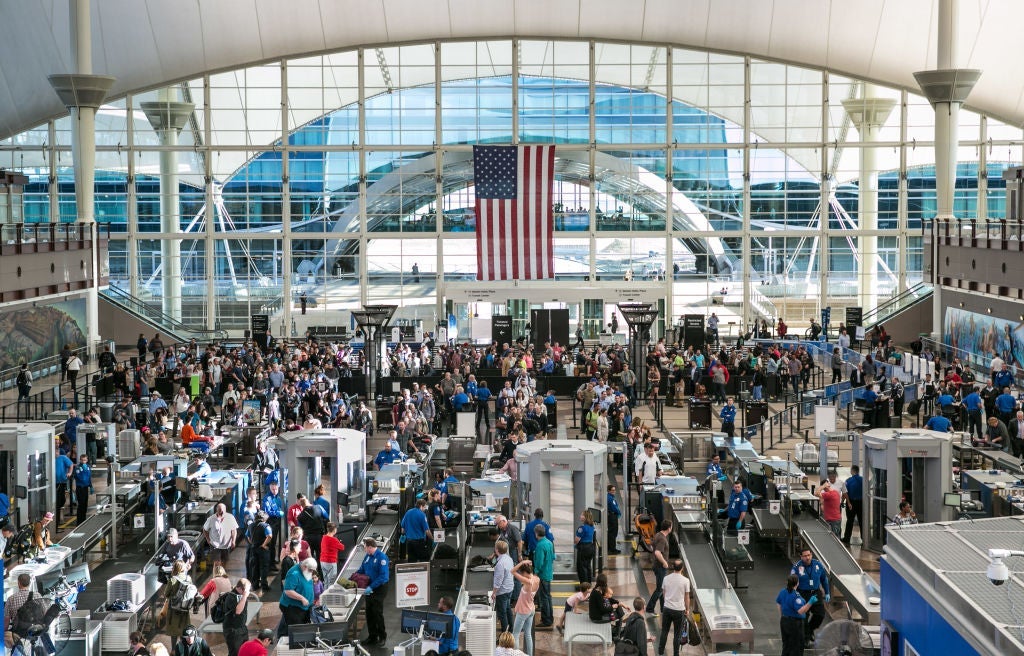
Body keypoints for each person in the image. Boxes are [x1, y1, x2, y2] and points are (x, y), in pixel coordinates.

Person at [791, 548, 830, 646]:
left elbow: (823, 579)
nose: (807, 557)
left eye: (809, 555)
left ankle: (810, 629)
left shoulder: (818, 565)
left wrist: (827, 592)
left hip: (816, 593)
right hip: (803, 593)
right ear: (801, 556)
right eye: (805, 556)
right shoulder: (796, 567)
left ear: (811, 555)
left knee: (820, 615)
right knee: (804, 616)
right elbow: (792, 583)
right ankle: (806, 638)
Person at [356, 537, 391, 646]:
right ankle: (372, 636)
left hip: (379, 588)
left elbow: (383, 577)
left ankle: (382, 636)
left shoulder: (382, 557)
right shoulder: (367, 556)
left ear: (370, 547)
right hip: (369, 588)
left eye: (365, 547)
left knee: (377, 612)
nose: (365, 549)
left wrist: (371, 587)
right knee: (369, 613)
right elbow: (361, 570)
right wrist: (352, 578)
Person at [658, 559, 691, 656]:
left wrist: (668, 602)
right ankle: (675, 654)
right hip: (679, 610)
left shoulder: (666, 578)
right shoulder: (686, 581)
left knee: (664, 631)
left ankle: (660, 652)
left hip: (667, 608)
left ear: (673, 567)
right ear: (682, 568)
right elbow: (687, 597)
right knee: (677, 634)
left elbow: (664, 593)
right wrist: (688, 609)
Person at [777, 574, 817, 656]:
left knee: (786, 645)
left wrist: (782, 616)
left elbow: (778, 604)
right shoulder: (796, 597)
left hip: (784, 621)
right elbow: (801, 611)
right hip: (795, 624)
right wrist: (810, 602)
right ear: (797, 583)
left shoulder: (782, 592)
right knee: (797, 646)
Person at [278, 557, 317, 637]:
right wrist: (302, 598)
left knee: (298, 627)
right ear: (304, 566)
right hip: (293, 608)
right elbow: (288, 591)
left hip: (304, 607)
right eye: (310, 570)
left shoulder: (306, 570)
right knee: (296, 631)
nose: (312, 572)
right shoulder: (294, 573)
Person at [510, 560, 539, 656]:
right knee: (528, 634)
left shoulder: (527, 582)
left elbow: (512, 571)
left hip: (523, 611)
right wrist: (526, 565)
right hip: (531, 609)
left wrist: (522, 562)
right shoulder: (536, 579)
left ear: (524, 573)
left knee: (516, 635)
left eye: (522, 573)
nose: (521, 575)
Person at [219, 578, 251, 656]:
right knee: (235, 653)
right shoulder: (231, 597)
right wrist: (245, 596)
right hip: (232, 630)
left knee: (245, 651)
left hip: (242, 627)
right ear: (240, 588)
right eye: (246, 590)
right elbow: (238, 611)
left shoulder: (241, 595)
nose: (248, 592)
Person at [162, 560, 195, 638]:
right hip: (184, 607)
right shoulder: (188, 578)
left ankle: (173, 649)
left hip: (173, 608)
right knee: (184, 629)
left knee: (173, 631)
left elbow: (166, 594)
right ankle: (183, 648)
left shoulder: (173, 579)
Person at [646, 519, 672, 614]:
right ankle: (649, 608)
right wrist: (664, 562)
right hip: (660, 567)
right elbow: (657, 552)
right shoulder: (662, 539)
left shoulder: (658, 535)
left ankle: (662, 608)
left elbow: (652, 547)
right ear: (669, 528)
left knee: (662, 587)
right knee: (659, 589)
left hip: (657, 565)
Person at [492, 539, 515, 631]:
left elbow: (498, 581)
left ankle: (504, 635)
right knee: (508, 609)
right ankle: (510, 631)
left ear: (497, 550)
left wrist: (494, 593)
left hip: (502, 591)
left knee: (502, 613)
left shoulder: (500, 564)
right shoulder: (509, 559)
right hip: (509, 588)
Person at [5, 573, 33, 642]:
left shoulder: (11, 599)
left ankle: (17, 649)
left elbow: (6, 619)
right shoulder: (37, 595)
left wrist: (4, 631)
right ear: (29, 583)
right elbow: (44, 612)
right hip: (33, 630)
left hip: (17, 632)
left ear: (18, 583)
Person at [840, 465, 863, 545]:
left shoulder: (849, 481)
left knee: (850, 520)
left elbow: (845, 493)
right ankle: (864, 539)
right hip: (861, 503)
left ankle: (847, 538)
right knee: (861, 521)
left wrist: (842, 501)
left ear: (852, 471)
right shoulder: (862, 480)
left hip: (851, 503)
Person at [574, 510, 596, 584]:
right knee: (588, 566)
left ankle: (584, 585)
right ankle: (588, 584)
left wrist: (575, 543)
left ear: (585, 517)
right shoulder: (592, 526)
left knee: (581, 568)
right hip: (590, 547)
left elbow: (576, 540)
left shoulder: (582, 528)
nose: (580, 516)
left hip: (583, 548)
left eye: (582, 515)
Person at [73, 454, 92, 525]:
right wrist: (84, 471)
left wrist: (91, 486)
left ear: (87, 460)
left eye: (85, 460)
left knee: (85, 505)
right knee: (81, 505)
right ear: (80, 460)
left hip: (86, 488)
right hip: (80, 488)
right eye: (82, 460)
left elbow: (89, 477)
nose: (83, 461)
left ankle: (84, 520)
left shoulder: (88, 467)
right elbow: (82, 478)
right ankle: (79, 521)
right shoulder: (78, 468)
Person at [607, 485, 622, 555]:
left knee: (611, 532)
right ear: (609, 491)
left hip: (612, 515)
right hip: (612, 516)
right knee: (613, 533)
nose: (614, 491)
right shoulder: (610, 498)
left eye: (614, 490)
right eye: (612, 490)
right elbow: (615, 507)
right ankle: (612, 549)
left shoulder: (611, 497)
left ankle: (610, 547)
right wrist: (619, 512)